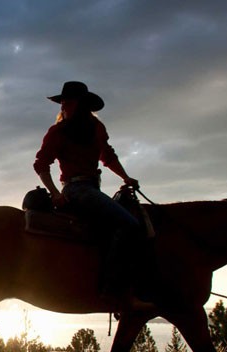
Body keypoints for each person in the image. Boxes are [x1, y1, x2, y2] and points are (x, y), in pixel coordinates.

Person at [32, 81, 146, 308]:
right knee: (130, 226)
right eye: (62, 102)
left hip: (92, 189)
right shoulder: (58, 131)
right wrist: (55, 192)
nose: (63, 105)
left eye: (68, 101)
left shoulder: (96, 128)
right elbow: (41, 164)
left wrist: (125, 177)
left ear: (81, 105)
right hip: (76, 189)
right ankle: (113, 291)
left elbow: (108, 156)